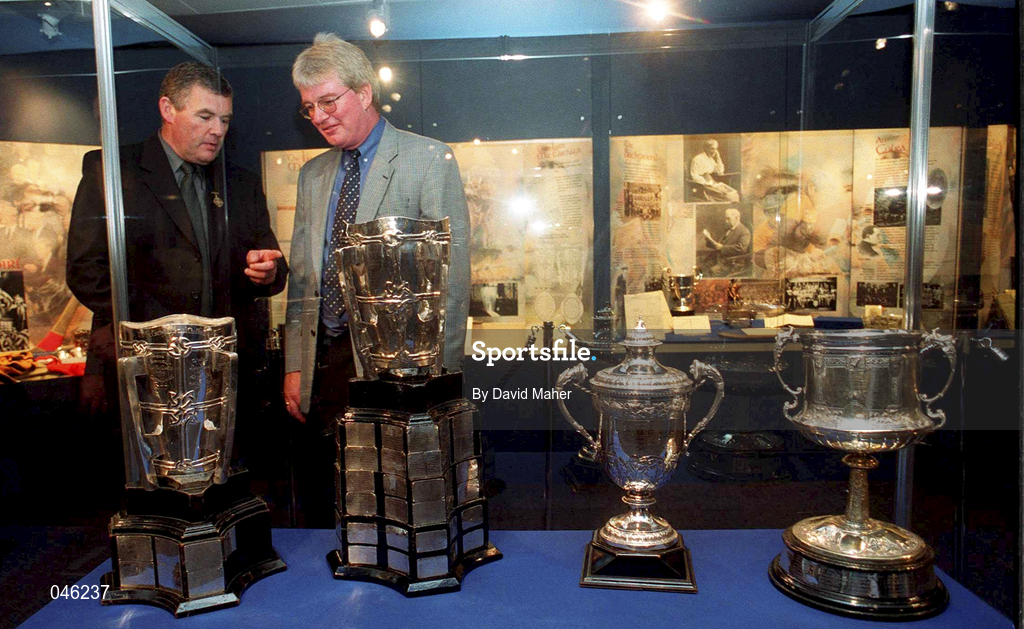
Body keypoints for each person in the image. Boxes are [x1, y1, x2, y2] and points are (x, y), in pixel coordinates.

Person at [282, 33, 471, 526]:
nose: (320, 116)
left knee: (403, 496)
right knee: (337, 496)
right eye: (309, 108)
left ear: (364, 92)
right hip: (326, 361)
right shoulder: (313, 175)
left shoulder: (428, 160)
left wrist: (438, 381)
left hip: (403, 366)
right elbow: (304, 281)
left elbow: (451, 279)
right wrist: (296, 366)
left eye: (328, 101)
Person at [66, 62, 288, 431]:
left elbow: (275, 270)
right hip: (146, 374)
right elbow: (86, 270)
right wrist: (166, 332)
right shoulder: (113, 172)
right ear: (168, 109)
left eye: (225, 120)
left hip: (225, 379)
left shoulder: (241, 184)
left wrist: (265, 273)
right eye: (205, 116)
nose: (218, 130)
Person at [702, 207, 751, 277]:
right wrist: (709, 239)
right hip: (718, 259)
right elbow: (718, 245)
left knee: (711, 271)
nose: (726, 221)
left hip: (731, 263)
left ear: (737, 218)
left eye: (728, 218)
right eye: (726, 218)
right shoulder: (729, 229)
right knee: (701, 267)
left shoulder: (744, 231)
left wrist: (722, 248)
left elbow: (741, 248)